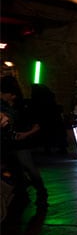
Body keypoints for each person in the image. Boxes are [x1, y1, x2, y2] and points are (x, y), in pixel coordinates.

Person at [0, 75, 49, 209]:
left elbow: (37, 126)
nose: (1, 95)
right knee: (14, 169)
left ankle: (41, 193)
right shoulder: (2, 106)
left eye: (4, 93)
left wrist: (24, 134)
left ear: (12, 95)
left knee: (29, 168)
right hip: (7, 142)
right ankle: (21, 195)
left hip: (21, 143)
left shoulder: (24, 106)